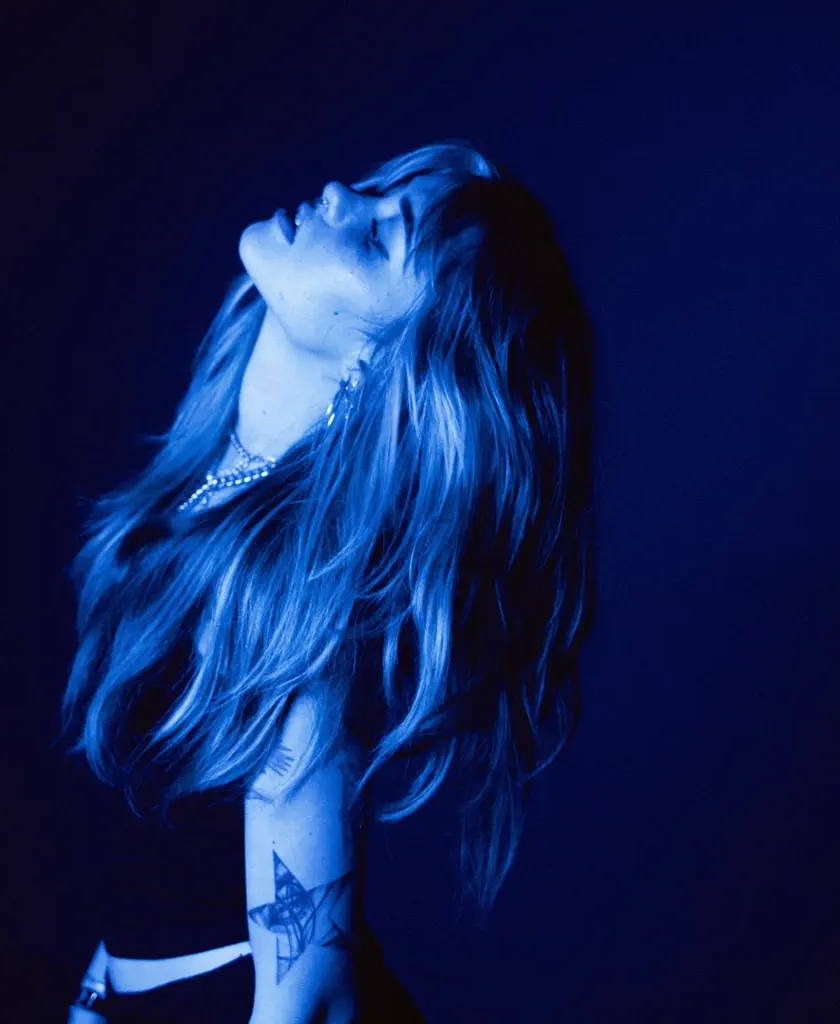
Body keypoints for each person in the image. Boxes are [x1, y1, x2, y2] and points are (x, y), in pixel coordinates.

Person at [56, 138, 599, 1022]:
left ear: (388, 361)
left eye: (382, 235)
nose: (342, 192)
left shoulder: (297, 610)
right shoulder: (207, 500)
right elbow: (150, 853)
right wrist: (92, 1002)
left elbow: (307, 1000)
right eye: (378, 190)